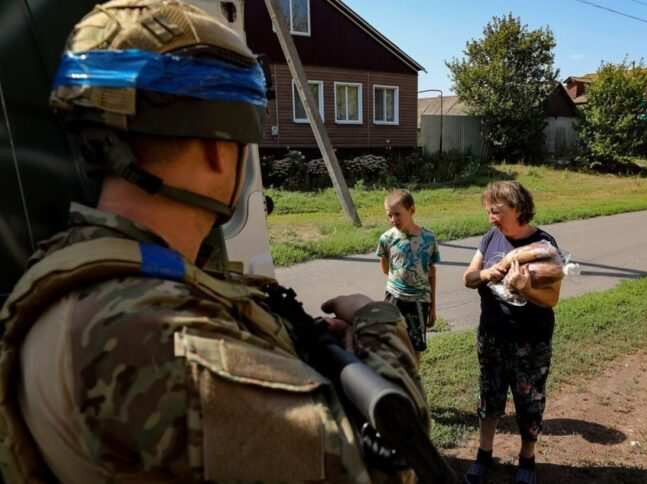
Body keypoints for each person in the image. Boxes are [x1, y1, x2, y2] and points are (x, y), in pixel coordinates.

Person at [0, 2, 429, 483]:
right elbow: (386, 470)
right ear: (217, 147)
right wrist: (379, 325)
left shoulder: (82, 268)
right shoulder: (154, 337)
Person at [462, 181, 562, 484]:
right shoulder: (490, 238)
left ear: (517, 208)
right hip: (491, 335)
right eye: (489, 211)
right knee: (489, 399)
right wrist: (484, 274)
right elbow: (468, 277)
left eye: (496, 211)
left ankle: (527, 460)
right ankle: (483, 455)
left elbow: (552, 298)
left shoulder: (544, 244)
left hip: (530, 341)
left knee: (529, 402)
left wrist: (526, 288)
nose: (491, 217)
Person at [376, 189, 440, 365]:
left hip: (419, 301)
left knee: (415, 346)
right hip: (394, 298)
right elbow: (385, 266)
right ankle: (396, 377)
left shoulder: (428, 238)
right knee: (391, 343)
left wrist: (433, 307)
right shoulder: (386, 239)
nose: (393, 220)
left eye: (397, 214)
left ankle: (414, 378)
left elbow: (432, 272)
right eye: (389, 215)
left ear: (412, 210)